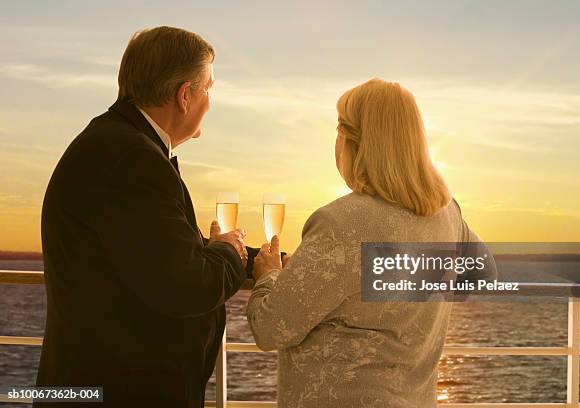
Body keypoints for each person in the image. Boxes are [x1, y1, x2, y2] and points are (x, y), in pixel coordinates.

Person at [36, 26, 253, 407]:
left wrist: (255, 256)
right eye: (209, 88)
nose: (210, 101)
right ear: (185, 96)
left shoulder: (117, 143)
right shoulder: (131, 158)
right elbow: (184, 284)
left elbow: (155, 251)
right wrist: (231, 255)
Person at [248, 78, 496, 407]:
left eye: (339, 131)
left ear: (356, 143)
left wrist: (269, 275)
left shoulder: (340, 223)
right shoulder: (446, 213)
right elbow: (484, 274)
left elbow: (270, 328)